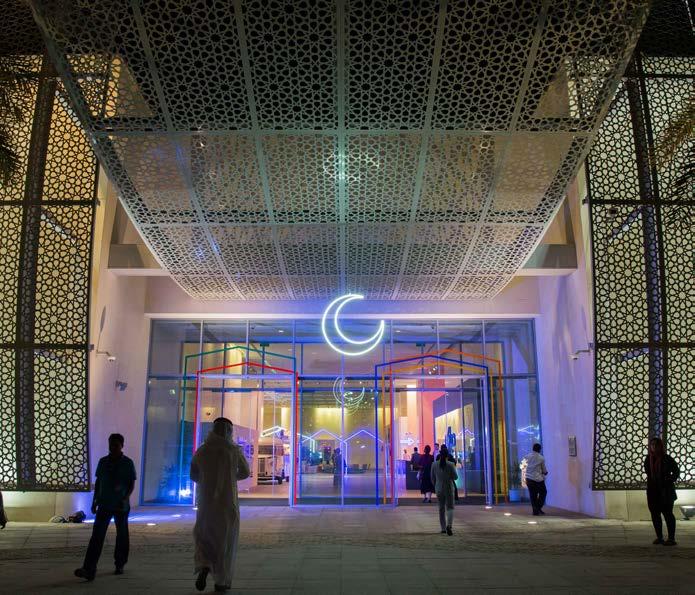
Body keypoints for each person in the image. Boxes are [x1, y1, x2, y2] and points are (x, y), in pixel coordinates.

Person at [191, 417, 250, 592]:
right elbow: (245, 472)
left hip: (206, 502)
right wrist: (229, 478)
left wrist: (207, 481)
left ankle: (204, 565)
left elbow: (193, 475)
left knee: (205, 535)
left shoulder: (202, 450)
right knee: (226, 539)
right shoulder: (233, 451)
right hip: (227, 502)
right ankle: (221, 581)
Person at [74, 433, 136, 581]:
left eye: (116, 445)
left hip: (121, 505)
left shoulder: (128, 463)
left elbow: (131, 484)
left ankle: (120, 563)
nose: (112, 447)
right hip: (104, 503)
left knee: (122, 535)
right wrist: (94, 501)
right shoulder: (103, 462)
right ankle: (89, 568)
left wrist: (125, 498)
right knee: (97, 536)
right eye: (111, 444)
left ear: (122, 446)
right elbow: (99, 482)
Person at [645, 437, 680, 546]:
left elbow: (676, 471)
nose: (654, 447)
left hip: (665, 491)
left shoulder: (667, 458)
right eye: (652, 445)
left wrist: (668, 480)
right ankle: (659, 537)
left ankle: (671, 538)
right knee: (655, 514)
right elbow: (648, 473)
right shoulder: (648, 459)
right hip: (653, 491)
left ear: (660, 446)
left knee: (668, 514)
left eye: (656, 445)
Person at [431, 445, 458, 535]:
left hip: (439, 488)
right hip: (449, 488)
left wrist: (436, 485)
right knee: (450, 507)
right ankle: (449, 526)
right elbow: (455, 477)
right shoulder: (451, 464)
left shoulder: (434, 464)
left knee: (441, 508)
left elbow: (432, 478)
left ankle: (443, 528)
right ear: (447, 455)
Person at [524, 443, 548, 516]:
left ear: (533, 449)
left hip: (529, 479)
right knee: (543, 493)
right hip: (538, 479)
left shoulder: (527, 456)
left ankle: (535, 510)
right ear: (539, 449)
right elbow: (544, 469)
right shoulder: (541, 458)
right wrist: (545, 472)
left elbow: (524, 467)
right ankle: (538, 508)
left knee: (533, 495)